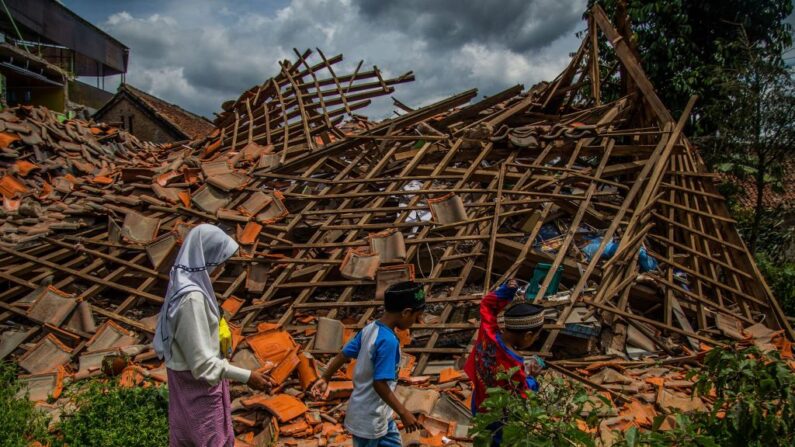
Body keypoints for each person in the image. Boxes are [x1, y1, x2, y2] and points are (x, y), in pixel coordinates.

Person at [154, 224, 271, 447]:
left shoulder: (182, 286)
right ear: (205, 256)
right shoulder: (192, 300)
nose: (221, 268)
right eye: (219, 260)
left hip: (189, 385)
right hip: (197, 390)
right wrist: (248, 376)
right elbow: (202, 365)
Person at [310, 281, 426, 447]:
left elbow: (343, 355)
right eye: (417, 317)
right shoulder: (388, 341)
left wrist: (325, 377)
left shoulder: (370, 328)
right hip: (369, 420)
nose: (418, 321)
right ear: (406, 312)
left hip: (380, 415)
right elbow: (379, 384)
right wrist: (404, 412)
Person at [464, 279, 546, 445]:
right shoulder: (513, 365)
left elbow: (487, 305)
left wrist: (505, 291)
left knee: (481, 436)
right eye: (536, 337)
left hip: (479, 401)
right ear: (528, 335)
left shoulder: (488, 333)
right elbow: (523, 395)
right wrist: (533, 378)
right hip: (498, 418)